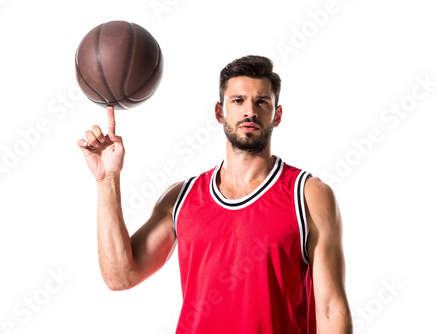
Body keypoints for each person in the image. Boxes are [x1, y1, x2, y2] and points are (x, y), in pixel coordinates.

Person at [77, 55, 353, 333]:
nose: (250, 112)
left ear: (277, 115)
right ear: (219, 113)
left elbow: (331, 310)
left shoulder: (307, 195)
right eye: (238, 100)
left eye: (262, 102)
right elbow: (121, 276)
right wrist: (107, 179)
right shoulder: (182, 197)